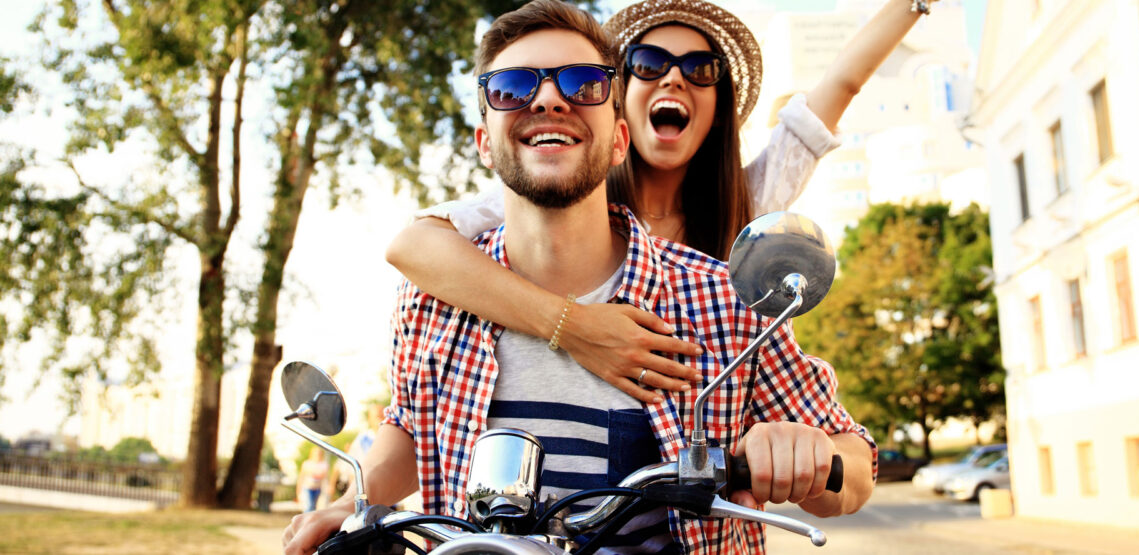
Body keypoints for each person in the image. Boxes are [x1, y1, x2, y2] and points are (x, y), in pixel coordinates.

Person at [283, 2, 875, 553]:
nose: (548, 99)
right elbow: (413, 429)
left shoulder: (723, 296)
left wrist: (803, 452)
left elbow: (857, 465)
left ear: (619, 139)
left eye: (583, 84)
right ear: (484, 144)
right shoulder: (431, 294)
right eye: (512, 88)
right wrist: (349, 506)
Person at [384, 0, 941, 404]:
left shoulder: (747, 203)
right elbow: (414, 246)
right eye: (649, 63)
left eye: (700, 70)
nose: (674, 78)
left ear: (718, 108)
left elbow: (841, 84)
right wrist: (574, 328)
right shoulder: (563, 189)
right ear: (616, 103)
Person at [296, 448, 327, 513]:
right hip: (308, 488)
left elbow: (324, 476)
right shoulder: (307, 464)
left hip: (317, 488)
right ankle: (306, 518)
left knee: (314, 506)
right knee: (309, 506)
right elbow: (301, 477)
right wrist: (298, 489)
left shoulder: (324, 464)